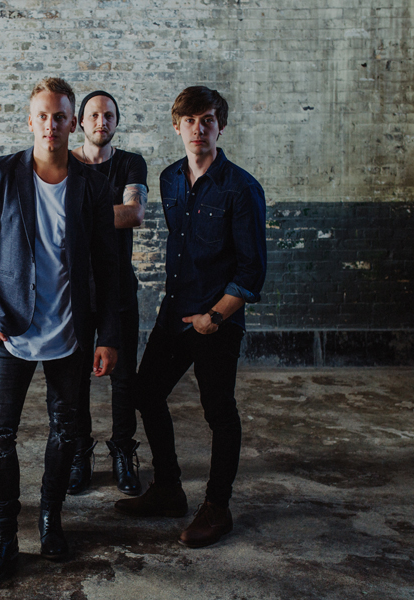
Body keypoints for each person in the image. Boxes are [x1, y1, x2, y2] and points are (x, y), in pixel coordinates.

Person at [0, 77, 120, 583]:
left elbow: (107, 263)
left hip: (70, 332)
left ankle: (51, 518)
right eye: (42, 117)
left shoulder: (91, 183)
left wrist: (109, 335)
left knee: (66, 430)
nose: (51, 125)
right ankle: (4, 535)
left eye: (60, 117)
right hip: (11, 326)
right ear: (29, 121)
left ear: (72, 122)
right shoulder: (2, 173)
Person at [114, 86, 267, 549]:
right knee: (145, 392)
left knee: (219, 411)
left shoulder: (241, 187)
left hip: (217, 321)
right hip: (175, 314)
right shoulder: (169, 179)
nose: (198, 129)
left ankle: (217, 507)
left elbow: (251, 272)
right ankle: (168, 488)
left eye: (208, 120)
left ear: (221, 126)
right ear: (177, 126)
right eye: (190, 121)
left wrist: (214, 318)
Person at [67, 91, 148, 496]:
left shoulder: (131, 163)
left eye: (109, 115)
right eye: (94, 115)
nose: (102, 121)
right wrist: (105, 212)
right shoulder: (65, 165)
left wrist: (81, 215)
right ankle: (81, 452)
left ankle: (122, 451)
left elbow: (134, 213)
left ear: (117, 121)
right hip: (75, 288)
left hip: (118, 285)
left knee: (124, 376)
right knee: (75, 374)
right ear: (81, 121)